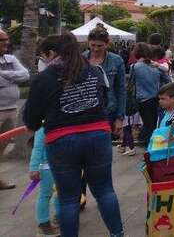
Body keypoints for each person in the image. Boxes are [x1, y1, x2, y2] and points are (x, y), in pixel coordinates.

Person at [23, 33, 123, 237]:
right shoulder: (94, 71)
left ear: (51, 53)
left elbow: (31, 119)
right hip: (98, 134)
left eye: (44, 56)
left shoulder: (44, 78)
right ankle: (118, 234)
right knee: (105, 190)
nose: (44, 60)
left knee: (68, 198)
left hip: (61, 140)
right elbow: (103, 101)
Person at [85, 26, 126, 138]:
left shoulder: (116, 60)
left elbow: (121, 90)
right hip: (85, 113)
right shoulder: (81, 59)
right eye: (93, 45)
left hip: (108, 111)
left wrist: (120, 118)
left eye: (100, 46)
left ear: (107, 44)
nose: (96, 49)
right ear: (88, 43)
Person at [0, 29, 29, 190]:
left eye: (6, 39)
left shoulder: (10, 58)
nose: (6, 43)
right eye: (2, 40)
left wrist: (4, 75)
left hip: (11, 109)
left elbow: (25, 75)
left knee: (2, 147)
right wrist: (12, 77)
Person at [131, 42, 173, 146]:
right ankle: (152, 143)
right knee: (155, 123)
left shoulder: (134, 67)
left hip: (142, 100)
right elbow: (168, 80)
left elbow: (130, 84)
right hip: (156, 99)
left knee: (147, 123)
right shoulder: (156, 66)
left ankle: (149, 145)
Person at [29, 127, 60, 236]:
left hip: (61, 165)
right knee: (45, 195)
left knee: (60, 193)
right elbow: (37, 148)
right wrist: (34, 167)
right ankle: (43, 224)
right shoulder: (42, 129)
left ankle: (60, 217)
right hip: (47, 167)